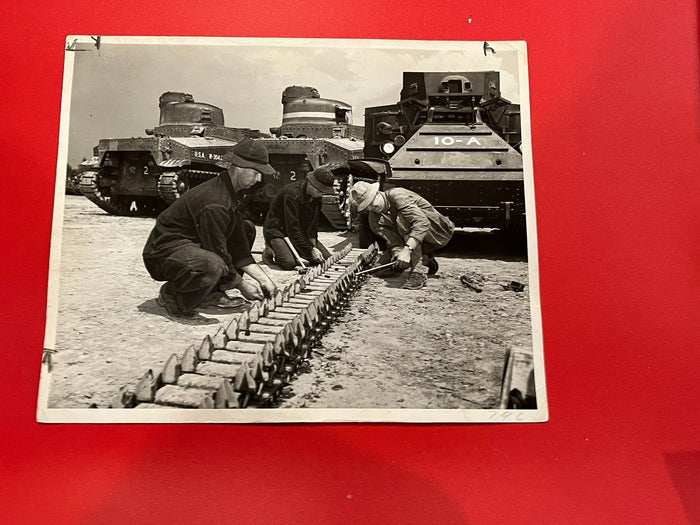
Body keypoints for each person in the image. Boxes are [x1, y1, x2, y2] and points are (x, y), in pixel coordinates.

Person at [142, 138, 278, 317]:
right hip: (163, 254)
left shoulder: (229, 193)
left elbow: (239, 249)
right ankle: (173, 295)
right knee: (212, 265)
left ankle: (211, 293)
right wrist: (242, 285)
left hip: (189, 247)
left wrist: (265, 280)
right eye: (256, 172)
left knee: (246, 228)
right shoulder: (215, 202)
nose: (259, 178)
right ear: (238, 167)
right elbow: (218, 251)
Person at [350, 181, 455, 290]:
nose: (371, 208)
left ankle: (419, 270)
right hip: (411, 241)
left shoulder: (397, 195)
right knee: (378, 269)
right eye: (366, 206)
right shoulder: (374, 219)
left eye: (371, 202)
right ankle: (426, 257)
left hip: (437, 231)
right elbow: (393, 241)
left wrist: (407, 250)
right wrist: (398, 253)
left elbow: (422, 222)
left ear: (377, 193)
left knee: (403, 221)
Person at [262, 165, 337, 270]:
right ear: (310, 183)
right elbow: (292, 228)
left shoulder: (316, 197)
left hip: (299, 232)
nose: (320, 195)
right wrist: (309, 250)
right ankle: (270, 249)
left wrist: (313, 248)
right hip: (278, 231)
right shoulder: (291, 194)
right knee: (288, 263)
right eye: (319, 191)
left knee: (325, 259)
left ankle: (295, 250)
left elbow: (313, 226)